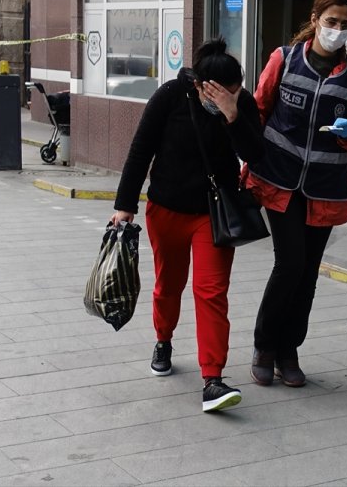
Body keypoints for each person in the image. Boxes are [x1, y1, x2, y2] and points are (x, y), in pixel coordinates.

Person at [110, 38, 264, 412]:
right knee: (169, 285)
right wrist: (124, 205)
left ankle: (213, 378)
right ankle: (163, 340)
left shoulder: (240, 104)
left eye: (238, 88)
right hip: (167, 210)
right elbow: (140, 148)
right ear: (201, 85)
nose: (235, 94)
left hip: (215, 217)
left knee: (211, 292)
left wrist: (232, 114)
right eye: (226, 91)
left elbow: (257, 154)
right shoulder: (169, 96)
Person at [245, 0, 347, 387]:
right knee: (290, 264)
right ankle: (266, 345)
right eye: (332, 21)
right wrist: (246, 162)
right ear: (315, 19)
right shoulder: (284, 59)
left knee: (308, 273)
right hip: (279, 180)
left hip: (324, 188)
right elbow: (258, 110)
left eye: (345, 25)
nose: (337, 30)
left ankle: (289, 350)